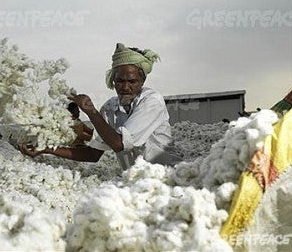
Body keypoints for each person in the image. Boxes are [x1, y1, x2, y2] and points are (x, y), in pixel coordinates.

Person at [19, 43, 176, 170]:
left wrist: (91, 112)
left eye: (132, 81)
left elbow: (119, 144)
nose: (125, 87)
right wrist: (46, 149)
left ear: (142, 81)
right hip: (135, 183)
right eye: (120, 81)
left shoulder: (151, 101)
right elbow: (92, 154)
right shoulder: (110, 108)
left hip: (165, 180)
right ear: (113, 80)